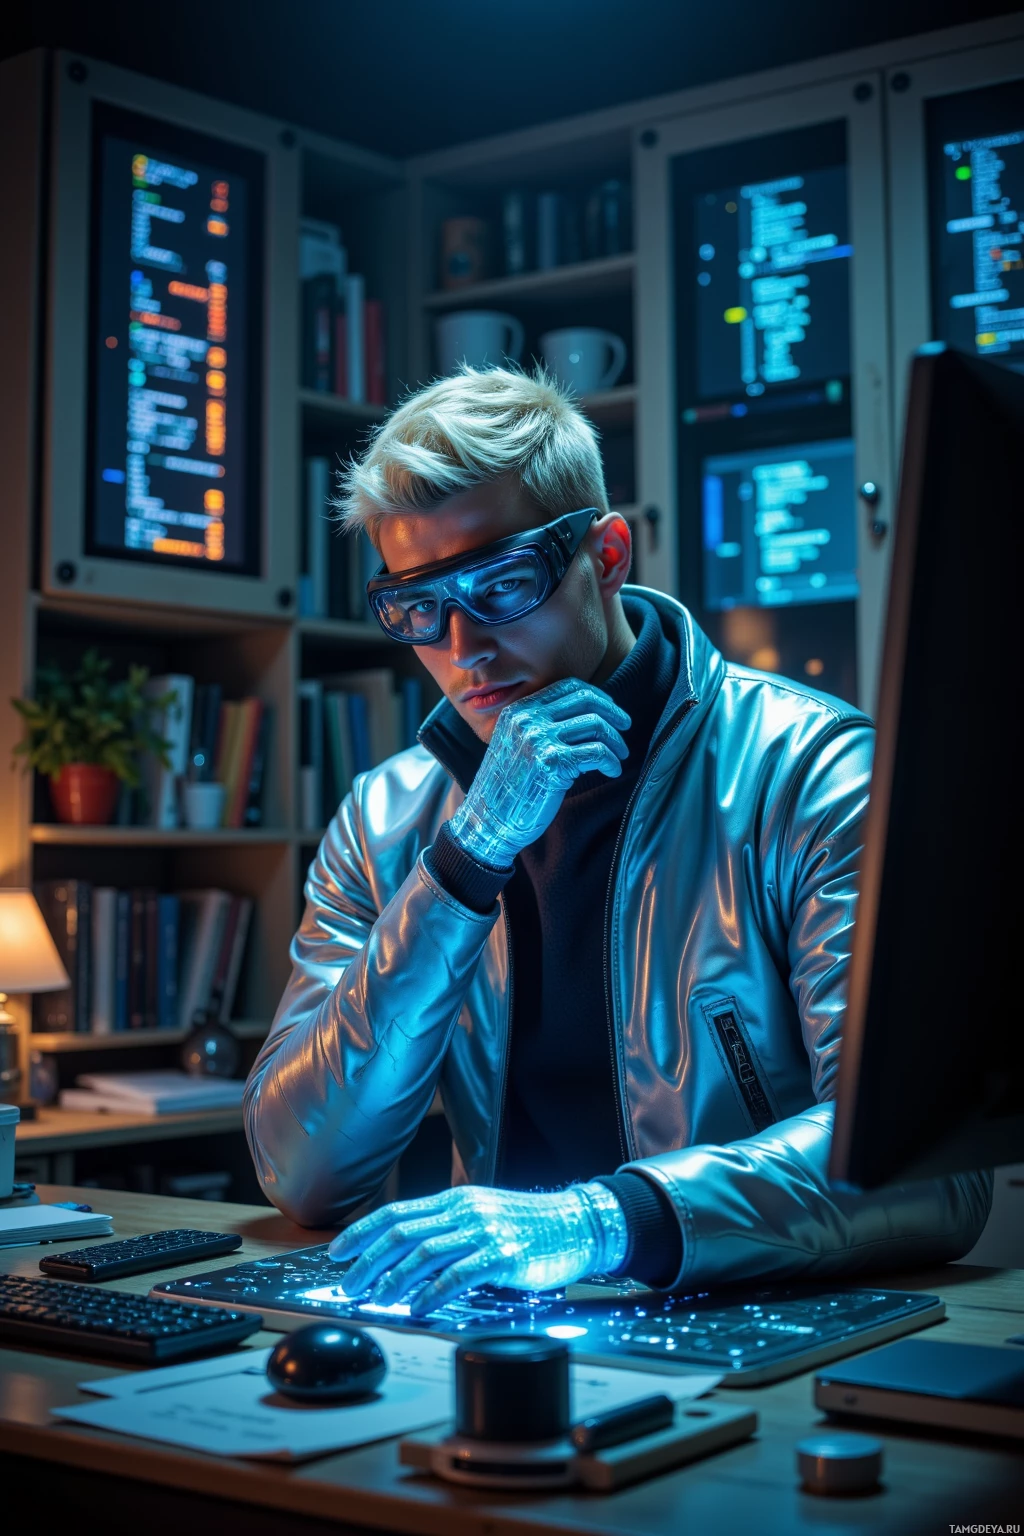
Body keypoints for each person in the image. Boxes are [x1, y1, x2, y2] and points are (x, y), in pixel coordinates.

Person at [244, 366, 990, 1317]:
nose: (463, 645)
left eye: (504, 583)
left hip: (760, 1312)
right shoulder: (388, 819)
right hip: (497, 1320)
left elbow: (931, 1173)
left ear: (606, 554)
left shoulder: (816, 774)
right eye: (418, 607)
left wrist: (596, 1224)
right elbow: (301, 1173)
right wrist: (467, 860)